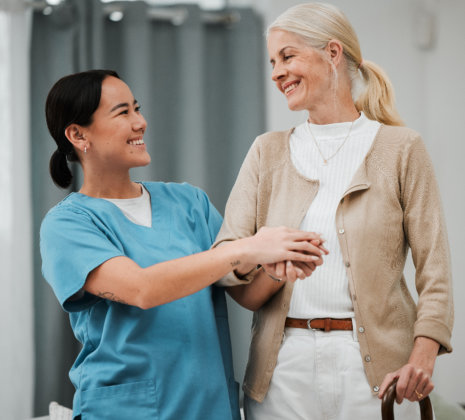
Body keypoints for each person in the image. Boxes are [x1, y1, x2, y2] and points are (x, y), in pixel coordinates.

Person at [212, 3, 454, 419]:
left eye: (288, 57)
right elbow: (227, 258)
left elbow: (436, 269)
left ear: (333, 53)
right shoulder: (265, 152)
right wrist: (271, 268)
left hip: (378, 374)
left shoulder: (401, 149)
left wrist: (424, 352)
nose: (276, 73)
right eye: (272, 62)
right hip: (282, 371)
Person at [39, 69, 324, 420]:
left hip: (210, 406)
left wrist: (281, 267)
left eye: (137, 109)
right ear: (78, 134)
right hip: (126, 411)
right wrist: (246, 248)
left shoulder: (189, 202)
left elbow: (245, 294)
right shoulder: (68, 224)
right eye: (123, 112)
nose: (140, 122)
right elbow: (142, 289)